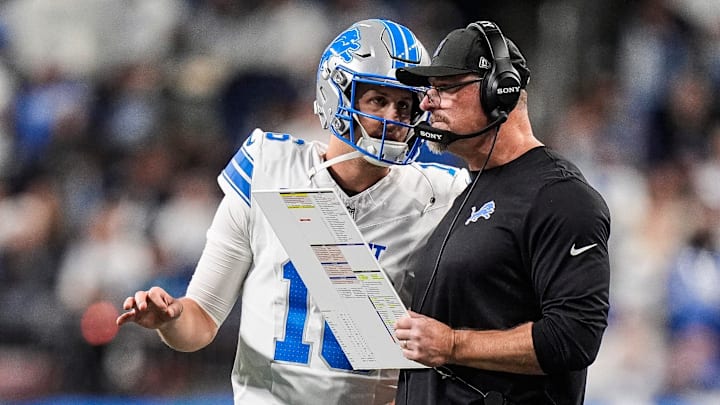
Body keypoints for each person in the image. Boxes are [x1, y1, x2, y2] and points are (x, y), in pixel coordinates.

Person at [116, 19, 469, 404]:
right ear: (338, 96)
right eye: (378, 100)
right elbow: (200, 320)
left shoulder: (439, 196)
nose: (394, 118)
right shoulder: (269, 168)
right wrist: (170, 320)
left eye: (405, 104)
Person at [392, 20, 611, 404]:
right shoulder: (466, 192)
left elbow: (574, 337)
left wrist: (454, 344)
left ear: (500, 92)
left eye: (445, 88)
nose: (426, 103)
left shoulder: (560, 197)